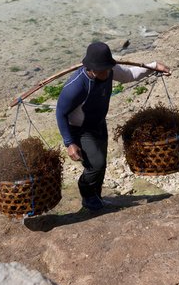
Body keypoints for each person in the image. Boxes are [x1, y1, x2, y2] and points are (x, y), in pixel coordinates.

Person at [56, 42, 171, 212]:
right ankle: (86, 193)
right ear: (91, 69)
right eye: (101, 70)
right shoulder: (76, 86)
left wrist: (154, 67)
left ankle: (96, 197)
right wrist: (69, 143)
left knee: (102, 164)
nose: (106, 73)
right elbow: (60, 113)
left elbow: (129, 75)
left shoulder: (110, 70)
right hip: (80, 129)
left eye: (107, 68)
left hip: (99, 123)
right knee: (96, 164)